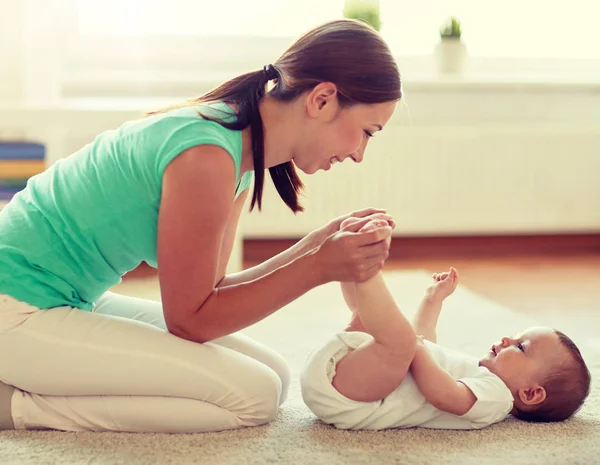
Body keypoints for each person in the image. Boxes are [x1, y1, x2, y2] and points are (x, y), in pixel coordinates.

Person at [0, 20, 401, 433]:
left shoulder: (238, 151)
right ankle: (17, 408)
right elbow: (190, 321)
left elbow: (212, 291)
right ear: (321, 99)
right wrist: (318, 267)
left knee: (275, 375)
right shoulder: (206, 155)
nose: (359, 154)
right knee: (253, 397)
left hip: (66, 297)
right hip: (15, 307)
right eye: (367, 132)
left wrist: (317, 246)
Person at [301, 218, 591, 430]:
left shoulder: (497, 399)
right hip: (352, 375)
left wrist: (412, 345)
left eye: (520, 347)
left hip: (356, 398)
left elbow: (443, 394)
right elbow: (424, 346)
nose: (506, 339)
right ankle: (348, 258)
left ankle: (362, 265)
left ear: (530, 393)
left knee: (397, 338)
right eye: (515, 337)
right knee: (379, 325)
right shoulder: (479, 376)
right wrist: (432, 301)